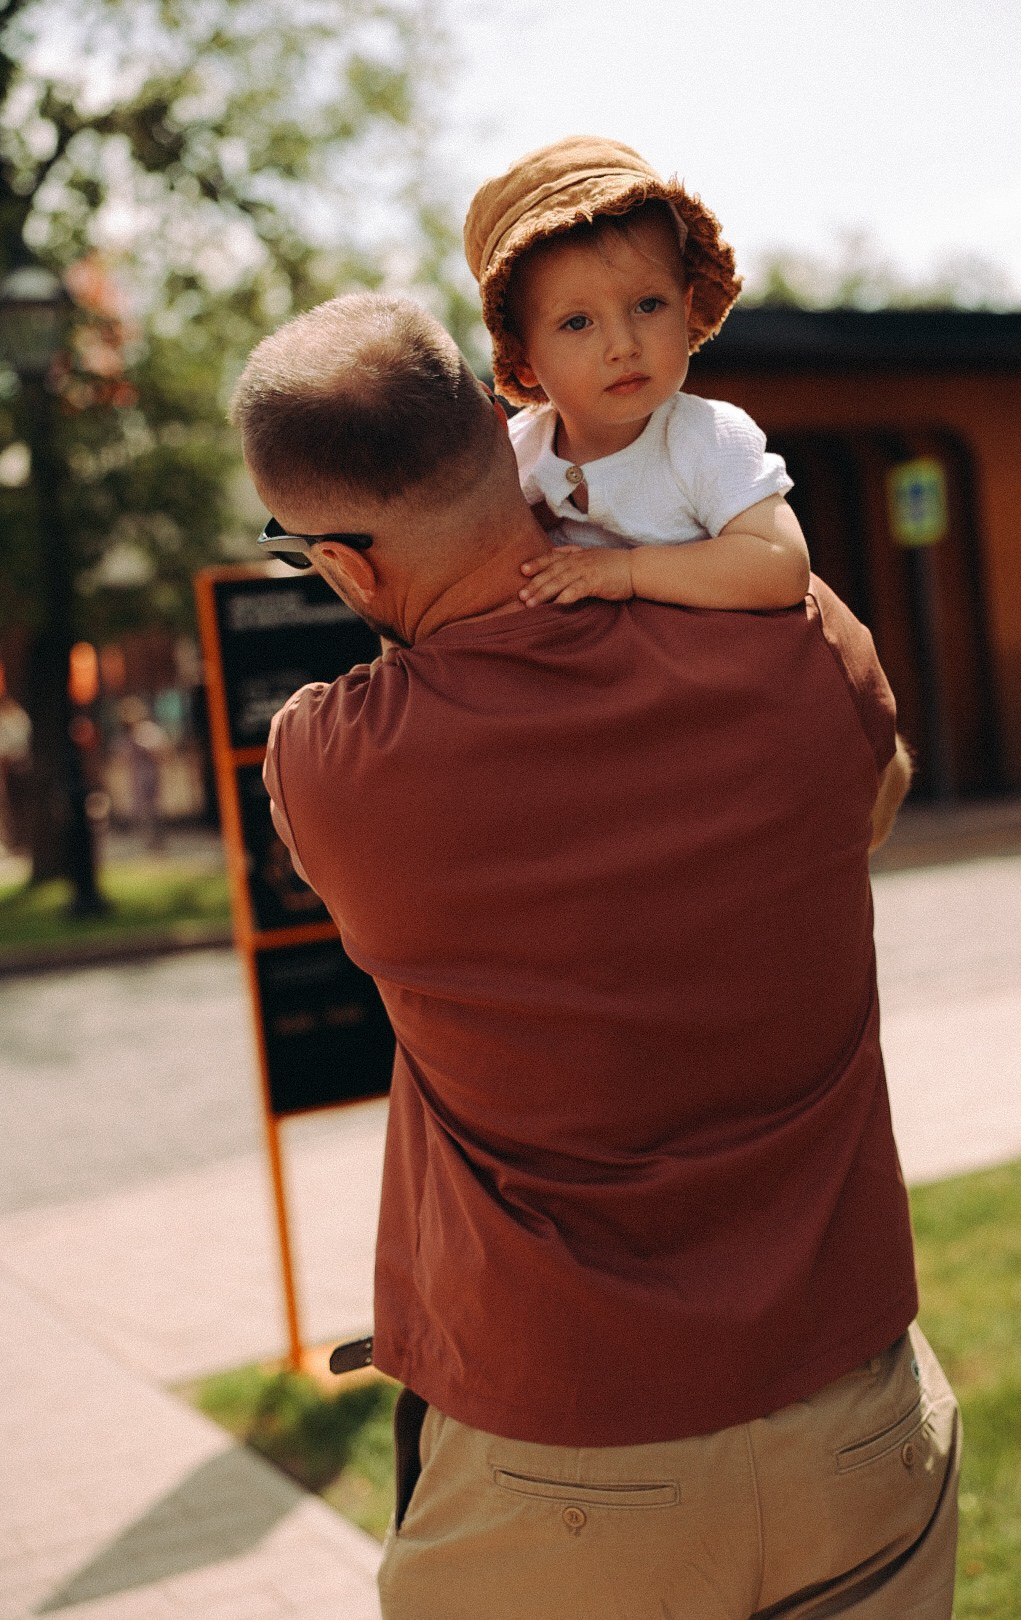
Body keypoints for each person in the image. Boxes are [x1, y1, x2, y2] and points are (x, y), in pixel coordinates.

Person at [232, 291, 961, 1619]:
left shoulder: (332, 766)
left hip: (559, 1466)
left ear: (341, 563)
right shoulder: (798, 638)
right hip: (858, 1412)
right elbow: (874, 789)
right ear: (510, 427)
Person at [464, 135, 811, 615]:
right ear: (523, 359)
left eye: (648, 305)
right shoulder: (513, 459)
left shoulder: (703, 438)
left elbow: (781, 564)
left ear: (685, 308)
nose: (623, 346)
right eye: (578, 322)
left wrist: (628, 572)